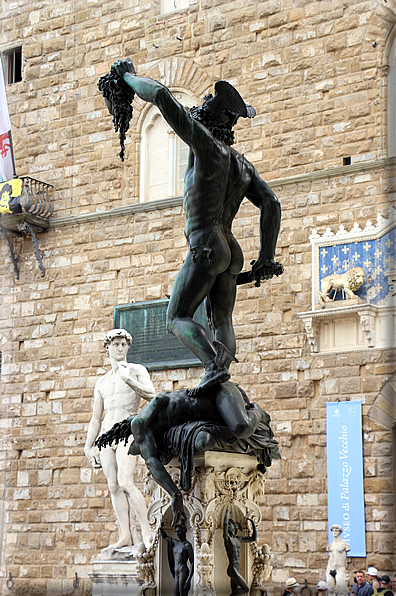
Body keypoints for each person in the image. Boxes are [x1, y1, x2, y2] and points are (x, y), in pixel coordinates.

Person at [100, 59, 282, 395]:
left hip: (206, 245)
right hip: (232, 249)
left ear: (210, 119)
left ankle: (214, 369)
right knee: (222, 320)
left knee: (176, 317)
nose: (195, 111)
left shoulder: (205, 145)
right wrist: (265, 258)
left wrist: (126, 77)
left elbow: (158, 94)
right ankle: (219, 377)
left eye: (202, 109)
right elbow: (271, 204)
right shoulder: (242, 165)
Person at [95, 380, 279, 526]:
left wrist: (175, 495)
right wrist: (175, 494)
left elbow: (152, 461)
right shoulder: (156, 431)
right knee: (205, 439)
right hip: (213, 414)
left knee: (242, 427)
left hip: (218, 394)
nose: (141, 440)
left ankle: (257, 413)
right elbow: (152, 461)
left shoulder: (148, 416)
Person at [84, 329, 156, 548]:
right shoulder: (102, 382)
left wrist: (128, 380)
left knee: (126, 482)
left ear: (127, 347)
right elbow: (96, 418)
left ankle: (146, 531)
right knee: (113, 486)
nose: (119, 348)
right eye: (115, 344)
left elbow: (152, 395)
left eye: (123, 344)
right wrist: (88, 446)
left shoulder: (135, 371)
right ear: (107, 348)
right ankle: (125, 535)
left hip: (126, 430)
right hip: (106, 433)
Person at [223, 509, 257, 596]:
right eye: (229, 524)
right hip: (232, 568)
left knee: (235, 590)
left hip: (237, 567)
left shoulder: (238, 539)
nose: (229, 526)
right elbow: (225, 525)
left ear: (234, 527)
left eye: (231, 524)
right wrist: (227, 512)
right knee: (246, 589)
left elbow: (253, 539)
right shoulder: (228, 539)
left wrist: (253, 524)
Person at [160, 518, 194, 596]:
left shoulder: (187, 545)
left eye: (179, 532)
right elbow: (165, 537)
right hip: (176, 571)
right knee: (176, 593)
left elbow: (192, 563)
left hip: (183, 571)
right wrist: (160, 528)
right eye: (176, 532)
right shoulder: (176, 542)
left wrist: (188, 580)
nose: (177, 533)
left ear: (183, 532)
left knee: (182, 593)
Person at [326, 524, 350, 595]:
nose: (334, 532)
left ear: (339, 532)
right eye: (333, 530)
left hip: (340, 568)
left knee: (341, 589)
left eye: (336, 530)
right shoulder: (330, 545)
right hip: (330, 567)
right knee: (330, 589)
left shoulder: (344, 544)